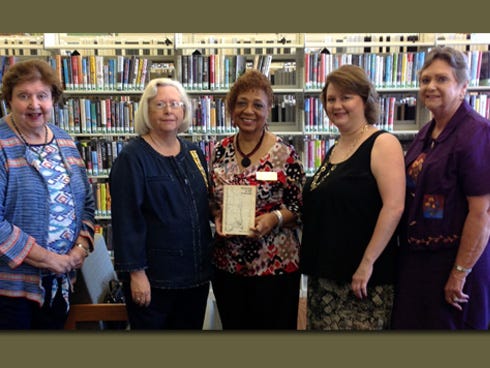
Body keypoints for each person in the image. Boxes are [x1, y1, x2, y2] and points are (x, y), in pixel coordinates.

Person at [299, 64, 406, 330]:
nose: (337, 105)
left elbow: (394, 207)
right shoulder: (335, 147)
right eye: (331, 99)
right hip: (326, 278)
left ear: (365, 99)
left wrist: (366, 264)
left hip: (362, 280)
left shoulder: (383, 143)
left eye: (346, 97)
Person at [391, 46, 490, 330]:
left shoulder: (477, 133)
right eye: (425, 80)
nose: (431, 86)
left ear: (463, 87)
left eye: (442, 79)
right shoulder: (427, 131)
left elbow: (482, 213)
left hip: (454, 263)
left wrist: (460, 273)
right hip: (418, 261)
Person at [109, 77, 213, 330]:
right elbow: (126, 220)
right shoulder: (132, 157)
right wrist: (136, 273)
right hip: (155, 280)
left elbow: (202, 204)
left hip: (196, 276)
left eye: (176, 104)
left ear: (184, 111)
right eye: (160, 104)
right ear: (147, 110)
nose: (169, 110)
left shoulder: (193, 153)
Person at [0, 59, 95, 329]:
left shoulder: (65, 141)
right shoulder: (2, 143)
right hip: (11, 291)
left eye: (42, 95)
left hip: (60, 284)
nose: (34, 105)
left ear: (53, 98)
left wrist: (80, 247)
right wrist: (50, 259)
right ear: (9, 100)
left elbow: (87, 204)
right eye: (23, 96)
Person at [210, 69, 306, 329]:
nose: (248, 110)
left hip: (274, 267)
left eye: (257, 104)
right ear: (231, 107)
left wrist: (273, 219)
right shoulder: (219, 151)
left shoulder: (285, 154)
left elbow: (300, 208)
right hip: (227, 265)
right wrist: (217, 217)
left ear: (268, 110)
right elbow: (211, 200)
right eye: (241, 103)